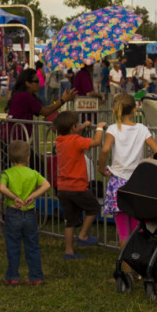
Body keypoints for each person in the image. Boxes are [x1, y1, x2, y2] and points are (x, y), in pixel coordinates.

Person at [99, 94, 157, 247]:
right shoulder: (142, 129)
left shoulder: (113, 129)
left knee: (123, 231)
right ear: (135, 109)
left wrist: (101, 168)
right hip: (136, 183)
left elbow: (106, 149)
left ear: (114, 110)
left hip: (118, 182)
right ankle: (137, 263)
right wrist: (147, 163)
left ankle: (127, 268)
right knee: (137, 227)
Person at [53, 110, 105, 260]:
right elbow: (96, 142)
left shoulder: (60, 141)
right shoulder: (76, 141)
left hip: (63, 188)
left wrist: (81, 127)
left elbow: (71, 134)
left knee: (70, 221)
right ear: (74, 127)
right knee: (93, 207)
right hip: (78, 187)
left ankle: (68, 252)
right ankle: (83, 235)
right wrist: (99, 127)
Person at [0, 140, 50, 286]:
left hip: (13, 212)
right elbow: (47, 185)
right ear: (28, 158)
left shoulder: (7, 173)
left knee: (13, 246)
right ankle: (36, 277)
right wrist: (33, 195)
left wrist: (13, 197)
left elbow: (1, 188)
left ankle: (13, 277)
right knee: (32, 246)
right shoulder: (33, 173)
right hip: (30, 213)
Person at [4, 69, 76, 167]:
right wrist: (62, 100)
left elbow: (45, 109)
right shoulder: (25, 96)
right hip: (14, 142)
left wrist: (60, 100)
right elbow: (45, 112)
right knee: (39, 167)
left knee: (37, 167)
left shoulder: (26, 96)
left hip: (15, 141)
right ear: (27, 83)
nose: (39, 83)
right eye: (36, 81)